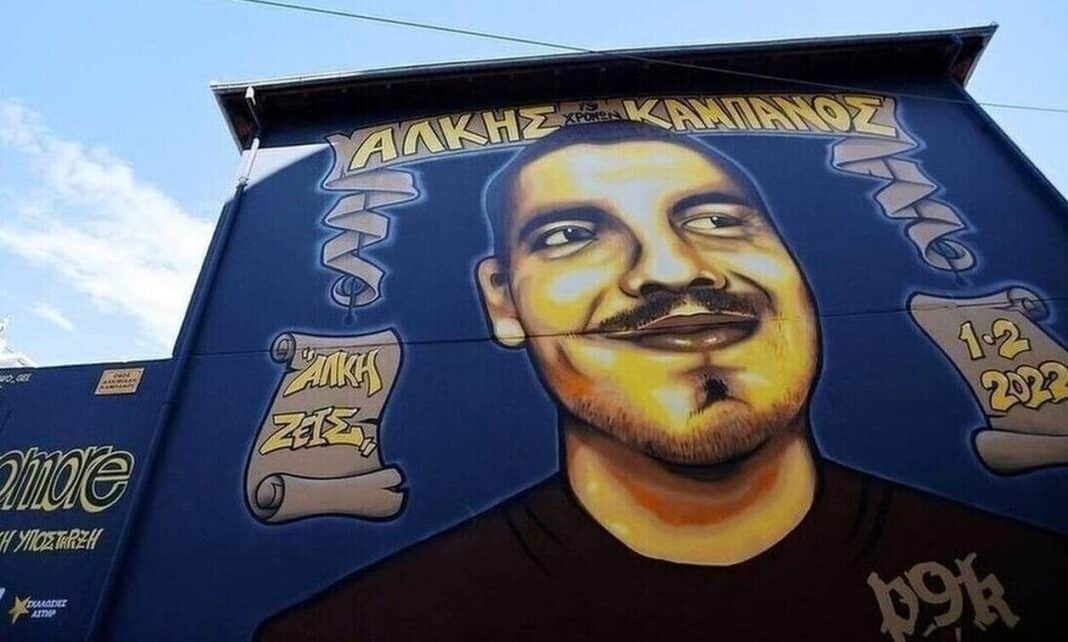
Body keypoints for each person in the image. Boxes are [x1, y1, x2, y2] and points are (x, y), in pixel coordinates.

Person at [256, 121, 1065, 642]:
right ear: (502, 302)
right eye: (572, 234)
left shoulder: (1028, 568)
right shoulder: (365, 625)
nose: (673, 269)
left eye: (715, 220)